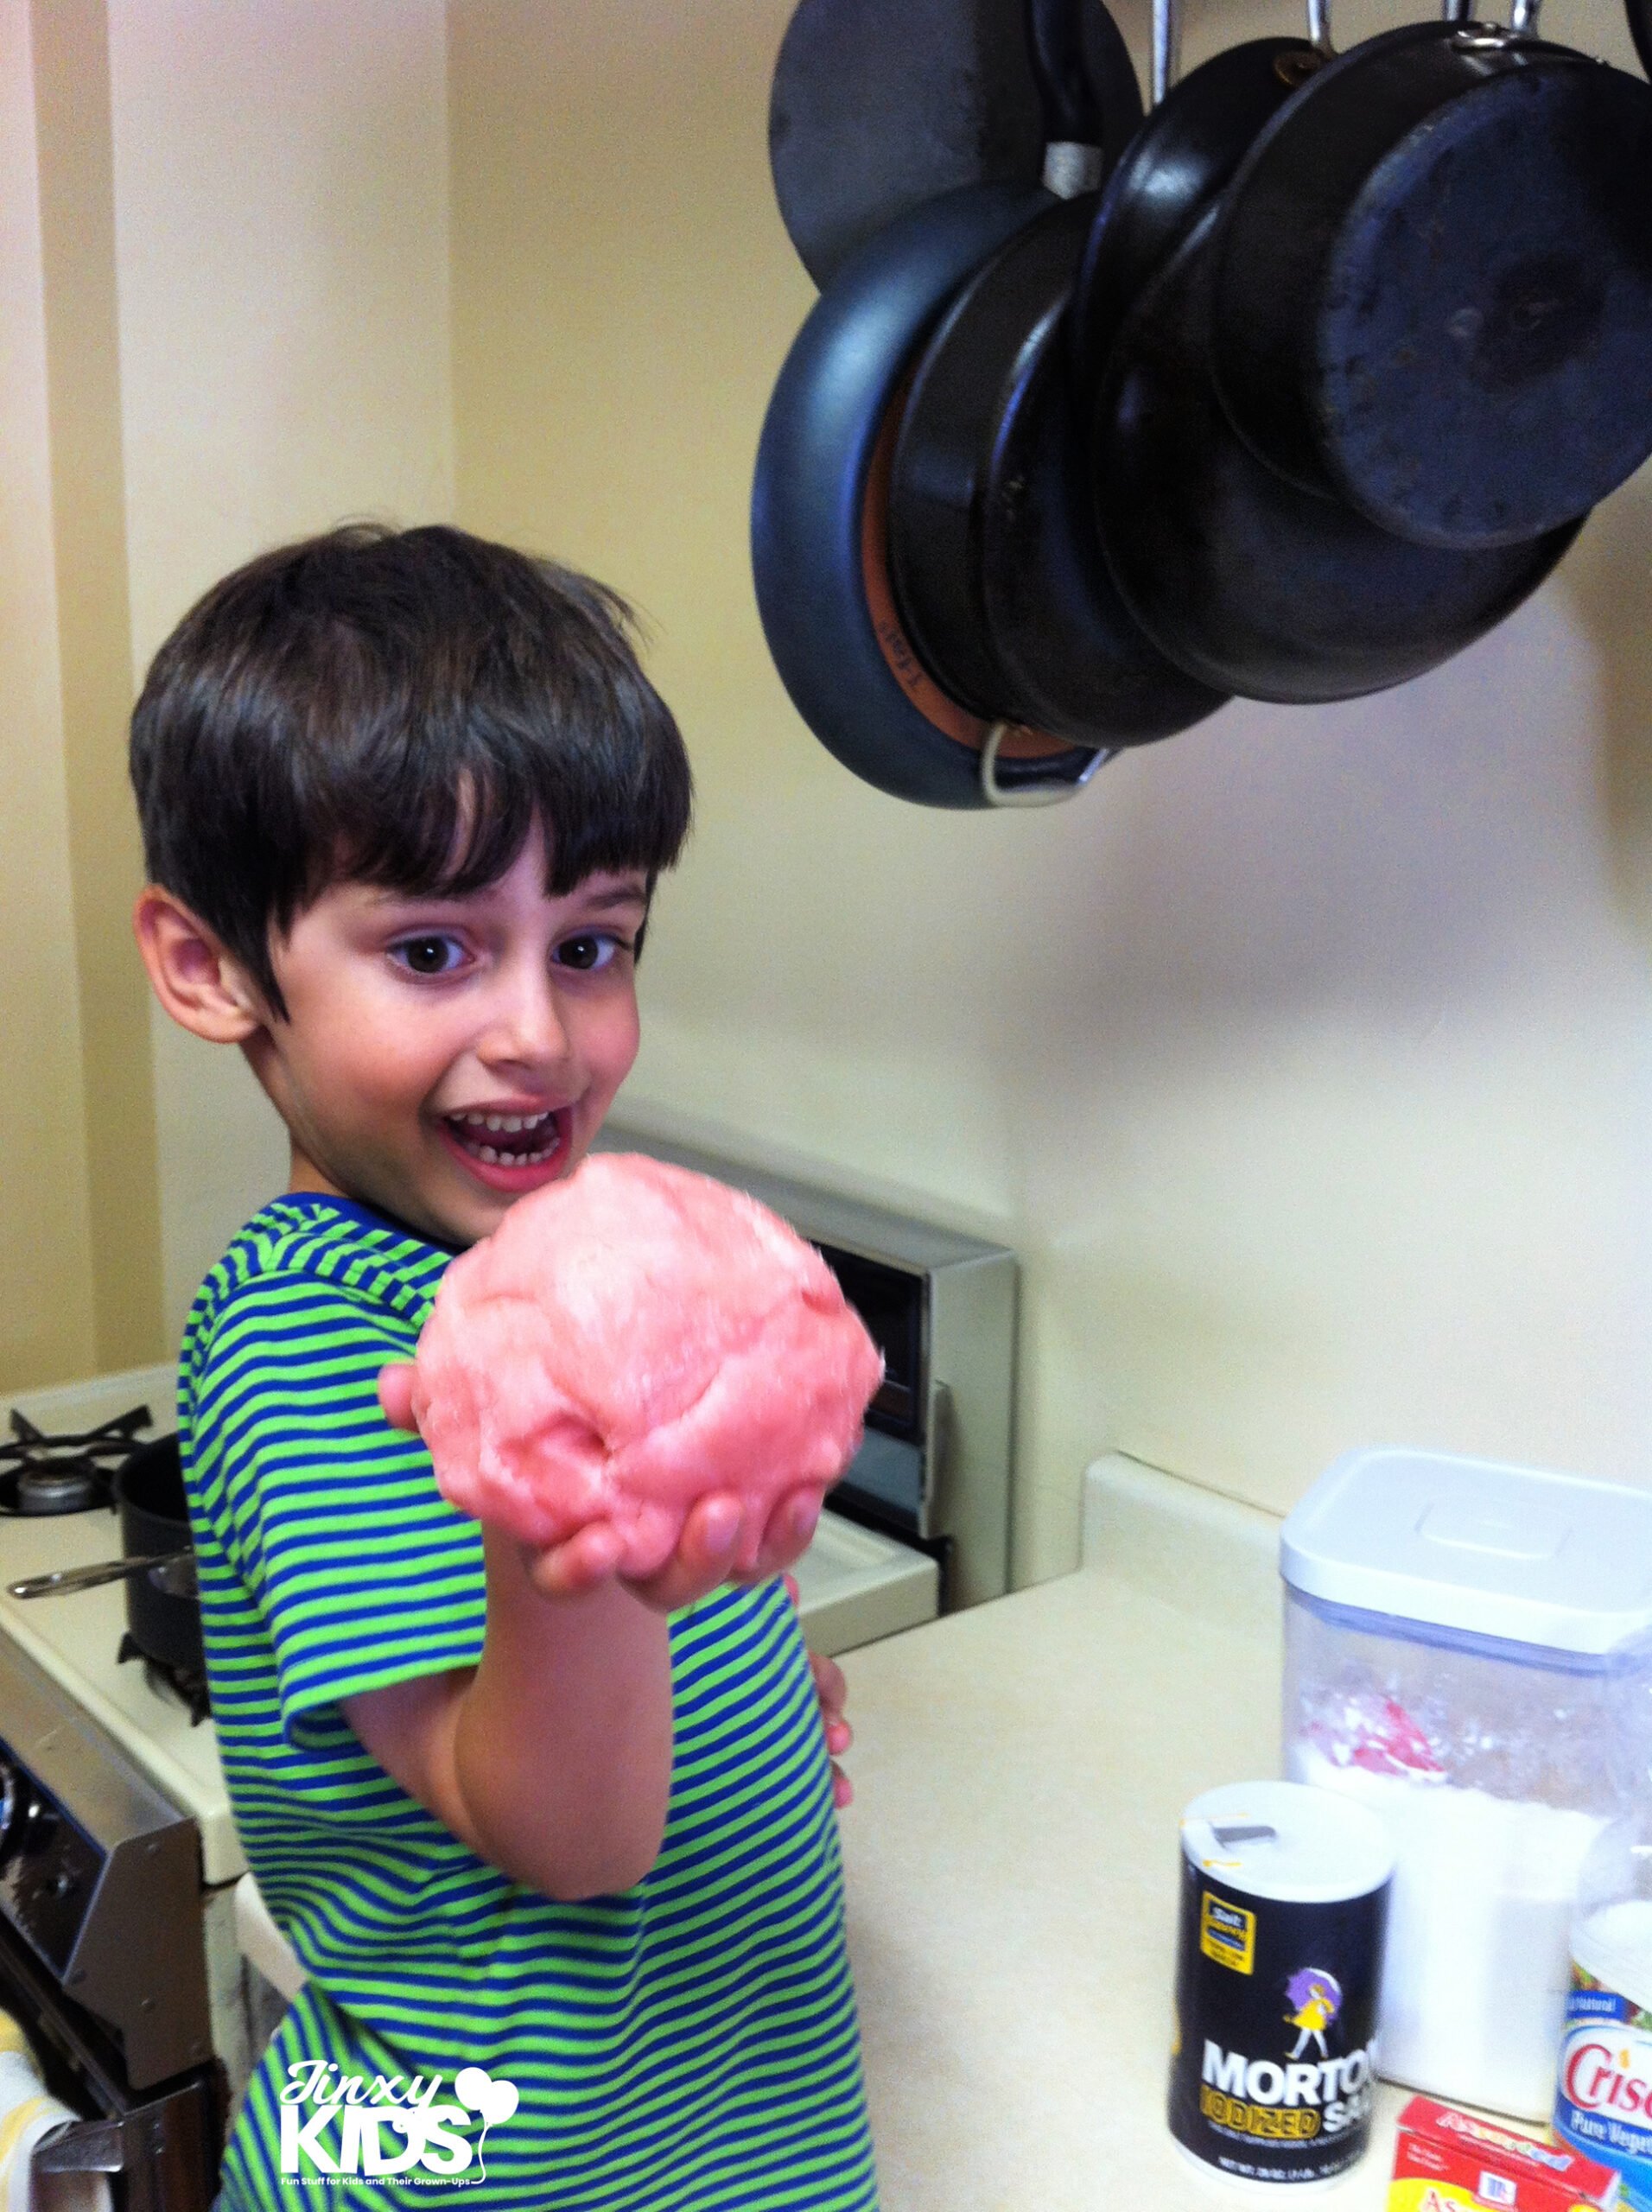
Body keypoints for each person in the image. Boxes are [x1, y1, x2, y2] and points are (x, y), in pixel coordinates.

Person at [130, 523, 877, 2210]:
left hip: (710, 2136)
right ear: (215, 966)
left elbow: (609, 1701)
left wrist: (734, 1676)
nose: (539, 1028)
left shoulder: (508, 1267)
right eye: (432, 949)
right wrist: (579, 1543)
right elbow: (564, 1828)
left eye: (592, 942)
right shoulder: (312, 1336)